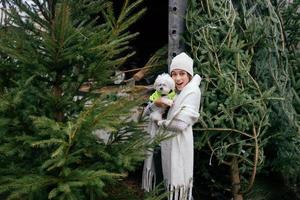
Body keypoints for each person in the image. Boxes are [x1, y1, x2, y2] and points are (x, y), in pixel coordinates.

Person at [155, 52, 202, 200]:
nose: (178, 78)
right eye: (174, 74)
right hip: (169, 142)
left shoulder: (192, 92)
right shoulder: (174, 92)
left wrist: (160, 122)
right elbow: (152, 105)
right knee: (171, 180)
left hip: (181, 144)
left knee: (180, 182)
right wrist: (156, 103)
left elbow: (180, 124)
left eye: (182, 73)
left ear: (189, 74)